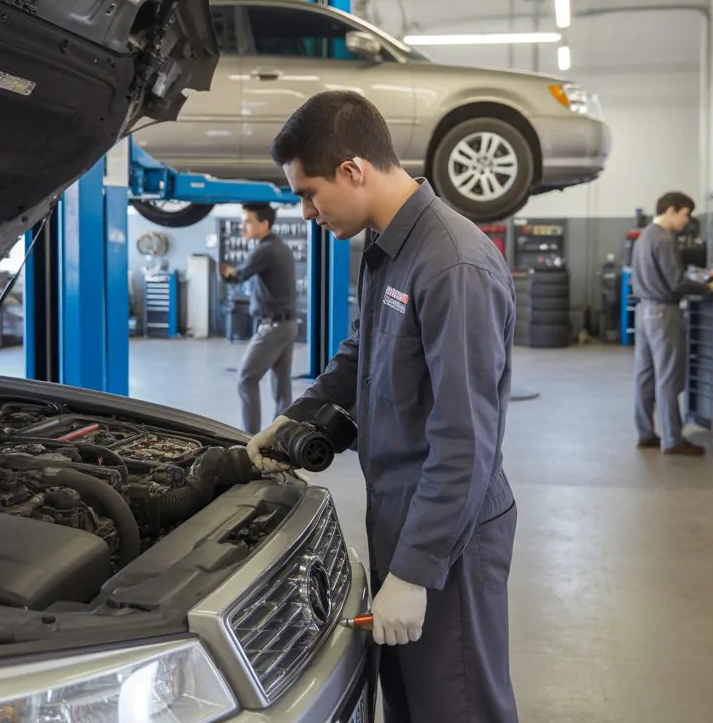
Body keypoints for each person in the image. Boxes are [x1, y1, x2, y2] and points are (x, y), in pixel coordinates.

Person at [245, 90, 519, 723]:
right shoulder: (388, 248)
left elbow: (465, 436)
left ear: (353, 170)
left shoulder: (452, 264)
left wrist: (417, 571)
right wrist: (292, 421)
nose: (307, 211)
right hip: (402, 512)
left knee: (457, 706)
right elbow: (359, 354)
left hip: (452, 529)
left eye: (310, 193)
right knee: (411, 702)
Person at [631, 191, 713, 455]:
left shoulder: (644, 236)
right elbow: (676, 282)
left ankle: (645, 433)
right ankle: (673, 439)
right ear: (672, 210)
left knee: (645, 377)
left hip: (643, 311)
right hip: (664, 313)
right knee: (668, 379)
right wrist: (710, 287)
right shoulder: (664, 239)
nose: (687, 221)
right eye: (685, 214)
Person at [219, 202, 299, 435]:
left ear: (264, 224)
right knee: (282, 387)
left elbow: (239, 276)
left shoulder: (265, 250)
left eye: (247, 221)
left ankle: (247, 439)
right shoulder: (278, 246)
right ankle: (281, 434)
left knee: (246, 379)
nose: (242, 226)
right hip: (287, 324)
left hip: (273, 327)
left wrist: (225, 272)